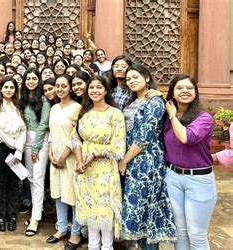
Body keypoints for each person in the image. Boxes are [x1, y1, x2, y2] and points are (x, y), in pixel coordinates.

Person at [119, 65, 176, 248]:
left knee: (148, 209)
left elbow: (145, 136)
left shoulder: (154, 102)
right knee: (138, 209)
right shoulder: (131, 101)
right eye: (128, 79)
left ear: (147, 78)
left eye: (136, 77)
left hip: (148, 160)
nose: (131, 81)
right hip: (133, 159)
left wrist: (124, 161)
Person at [164, 74, 217, 250]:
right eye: (179, 87)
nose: (185, 91)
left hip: (199, 181)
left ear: (196, 92)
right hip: (173, 177)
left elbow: (187, 137)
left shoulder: (204, 118)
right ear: (172, 92)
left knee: (197, 234)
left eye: (189, 88)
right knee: (179, 231)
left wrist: (172, 116)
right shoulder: (166, 116)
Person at [74, 76, 126, 250]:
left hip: (105, 168)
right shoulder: (83, 112)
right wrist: (80, 161)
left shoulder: (115, 114)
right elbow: (75, 139)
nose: (94, 91)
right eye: (91, 88)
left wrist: (95, 154)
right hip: (85, 171)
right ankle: (92, 246)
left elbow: (119, 146)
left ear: (106, 90)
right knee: (90, 208)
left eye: (98, 87)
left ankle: (107, 246)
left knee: (105, 209)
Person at [46, 74, 83, 249]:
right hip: (55, 158)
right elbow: (51, 132)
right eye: (57, 86)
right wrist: (52, 153)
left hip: (70, 158)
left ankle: (75, 233)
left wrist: (63, 156)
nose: (60, 89)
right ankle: (61, 228)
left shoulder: (77, 107)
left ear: (70, 88)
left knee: (72, 195)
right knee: (59, 193)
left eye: (64, 86)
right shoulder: (54, 108)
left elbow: (76, 135)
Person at [0, 77, 26, 232]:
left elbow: (23, 128)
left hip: (16, 150)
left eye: (12, 87)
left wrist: (18, 150)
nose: (9, 89)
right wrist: (13, 144)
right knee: (0, 181)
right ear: (1, 89)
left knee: (13, 182)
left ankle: (11, 215)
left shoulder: (19, 106)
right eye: (6, 87)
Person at [20, 68, 51, 237]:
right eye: (28, 78)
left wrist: (37, 147)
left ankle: (35, 219)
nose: (31, 81)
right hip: (26, 141)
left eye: (34, 78)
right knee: (30, 177)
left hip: (41, 141)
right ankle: (36, 211)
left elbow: (44, 124)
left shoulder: (44, 99)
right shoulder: (23, 99)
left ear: (39, 80)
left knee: (38, 179)